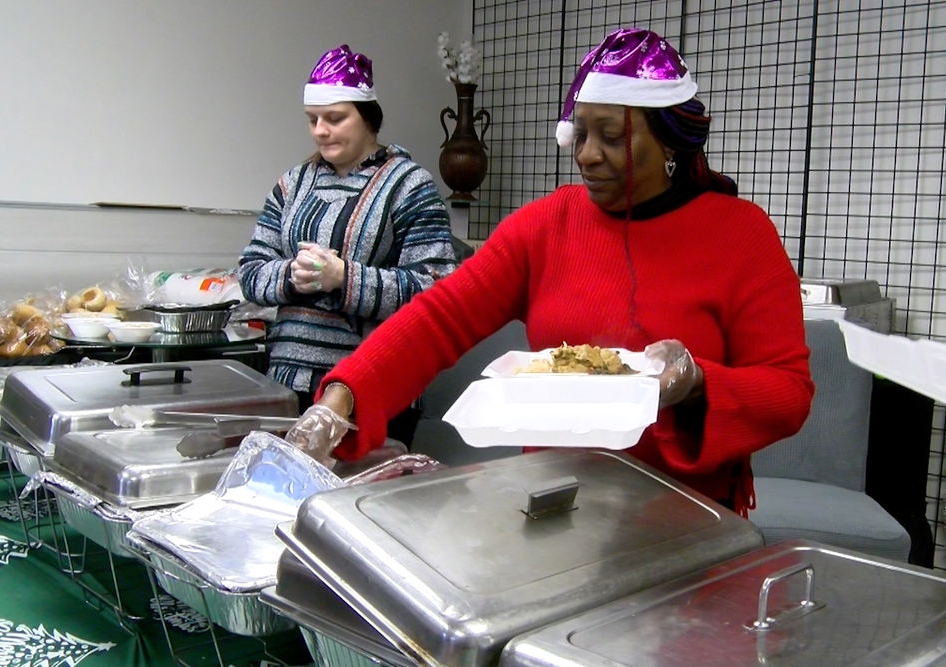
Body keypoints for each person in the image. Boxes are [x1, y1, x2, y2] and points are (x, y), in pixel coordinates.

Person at [286, 28, 814, 515]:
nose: (587, 155)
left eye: (611, 136)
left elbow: (788, 390)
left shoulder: (739, 234)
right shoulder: (547, 226)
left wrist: (697, 383)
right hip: (558, 503)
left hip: (687, 513)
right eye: (580, 134)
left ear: (670, 141)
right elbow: (439, 318)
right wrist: (341, 399)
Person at [238, 44, 457, 445]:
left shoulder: (409, 186)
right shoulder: (294, 183)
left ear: (368, 118)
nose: (321, 130)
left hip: (373, 387)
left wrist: (344, 278)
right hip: (289, 382)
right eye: (313, 120)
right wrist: (292, 275)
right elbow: (251, 270)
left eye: (335, 118)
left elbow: (437, 288)